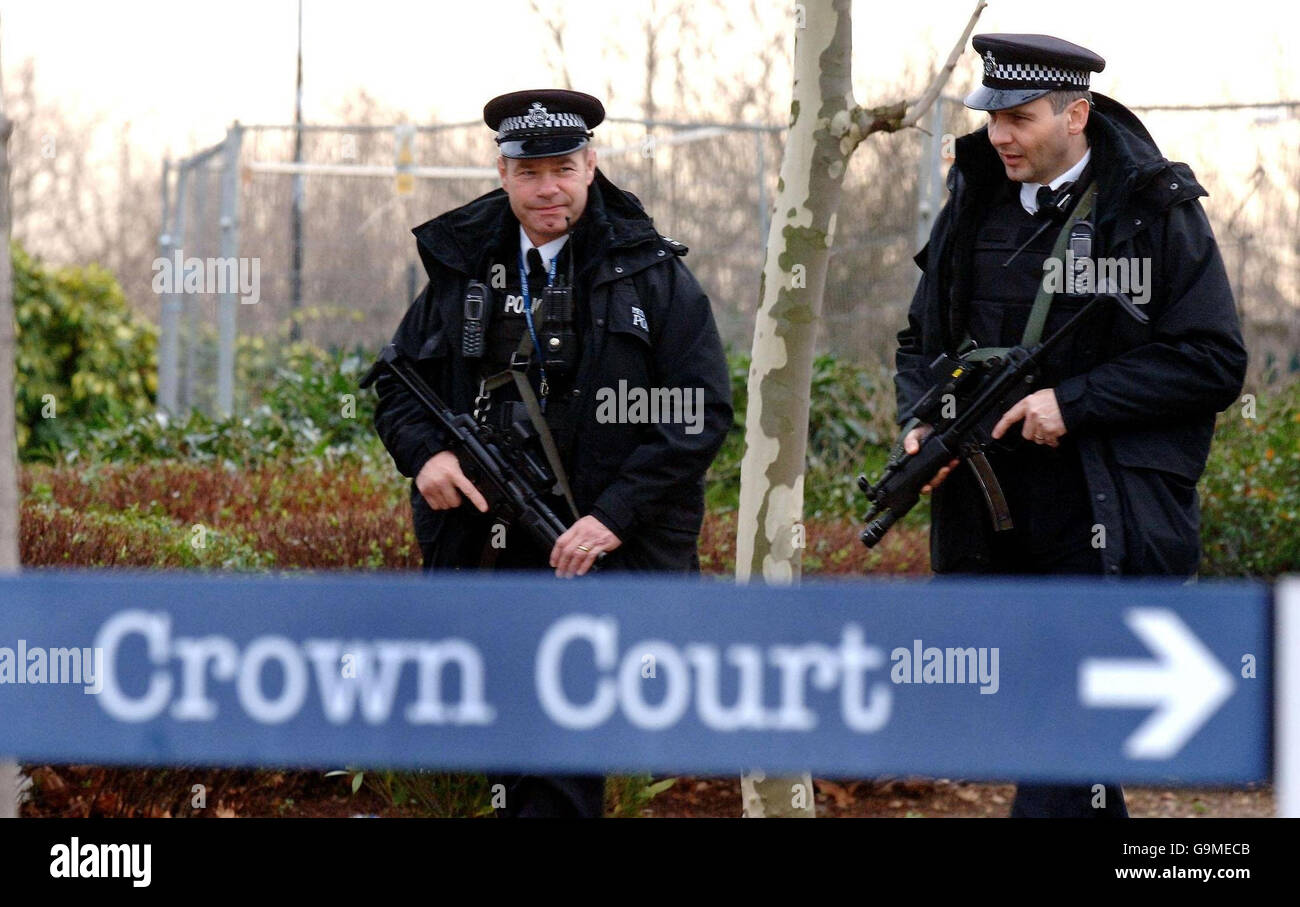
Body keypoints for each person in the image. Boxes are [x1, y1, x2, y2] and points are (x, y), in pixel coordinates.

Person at [892, 35, 1247, 817]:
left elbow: (1214, 360)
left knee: (1060, 733)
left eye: (1019, 118)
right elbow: (922, 342)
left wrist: (1073, 401)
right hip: (990, 519)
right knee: (1049, 737)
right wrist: (921, 423)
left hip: (1100, 515)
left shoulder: (1154, 209)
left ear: (1076, 113)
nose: (1001, 137)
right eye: (993, 119)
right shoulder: (974, 202)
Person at [368, 89, 733, 817]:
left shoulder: (651, 274)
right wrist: (427, 458)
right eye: (528, 171)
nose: (547, 188)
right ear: (500, 172)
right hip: (488, 554)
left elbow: (699, 412)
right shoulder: (461, 270)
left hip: (595, 554)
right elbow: (394, 383)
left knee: (568, 746)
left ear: (591, 166)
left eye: (562, 168)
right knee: (505, 738)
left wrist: (611, 516)